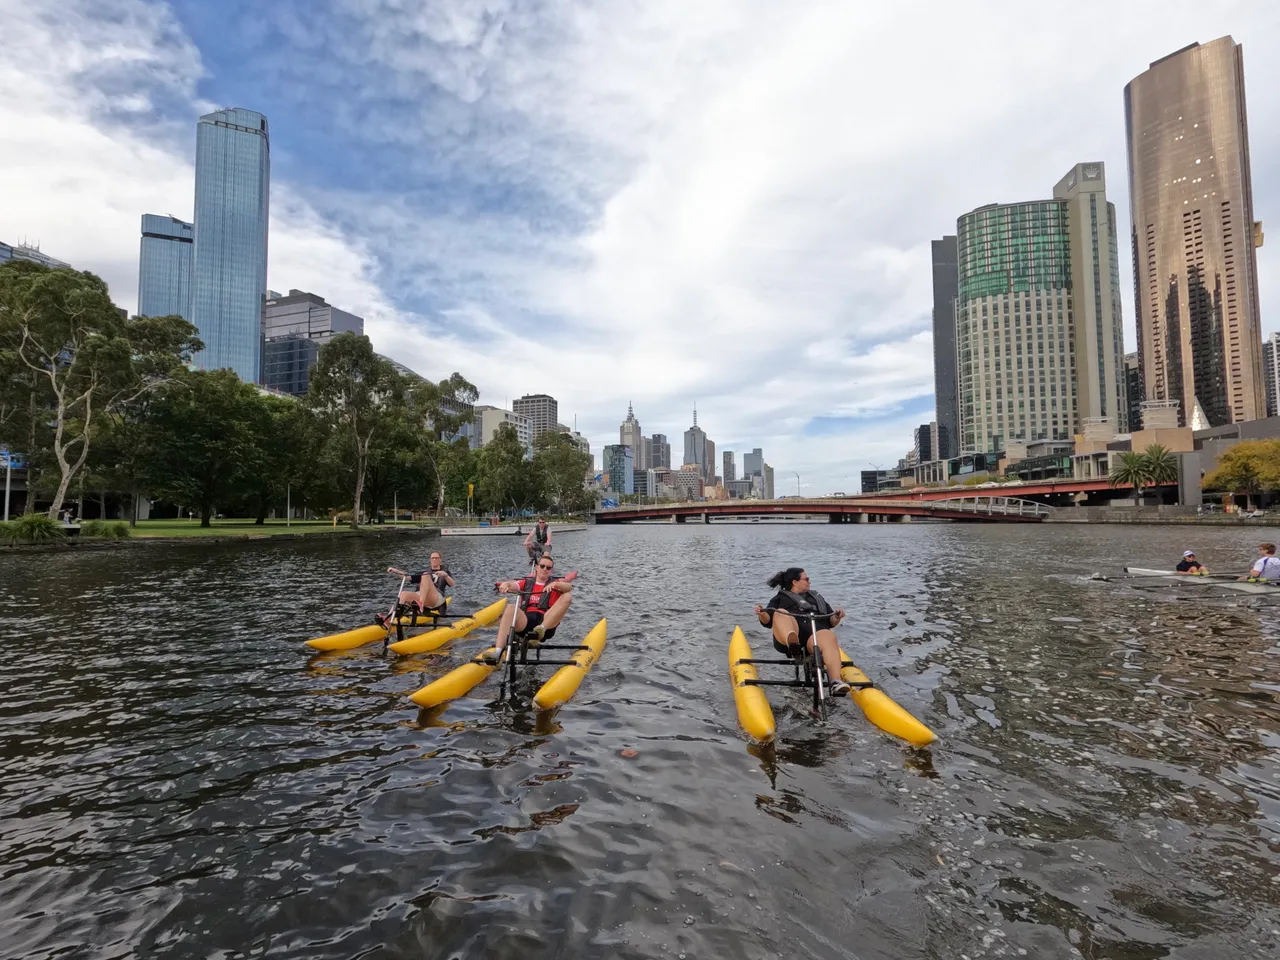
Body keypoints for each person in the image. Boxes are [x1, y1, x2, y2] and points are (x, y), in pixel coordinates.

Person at [753, 567, 851, 696]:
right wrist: (762, 613)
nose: (809, 582)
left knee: (829, 636)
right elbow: (767, 621)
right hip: (791, 635)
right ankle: (793, 645)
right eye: (806, 579)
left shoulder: (816, 597)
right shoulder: (781, 598)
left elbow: (830, 622)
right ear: (795, 582)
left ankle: (835, 682)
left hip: (814, 637)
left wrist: (837, 616)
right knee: (781, 613)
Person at [494, 554, 574, 651]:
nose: (545, 569)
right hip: (527, 621)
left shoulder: (556, 584)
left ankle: (540, 630)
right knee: (510, 607)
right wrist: (506, 584)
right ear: (536, 567)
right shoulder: (526, 582)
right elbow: (513, 585)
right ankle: (498, 652)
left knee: (567, 596)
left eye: (548, 568)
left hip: (547, 623)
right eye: (542, 566)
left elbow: (569, 588)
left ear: (551, 571)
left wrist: (556, 584)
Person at [380, 556, 448, 622]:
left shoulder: (444, 571)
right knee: (403, 594)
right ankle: (390, 618)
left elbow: (452, 584)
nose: (434, 560)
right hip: (422, 595)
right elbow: (406, 577)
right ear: (430, 560)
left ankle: (421, 603)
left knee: (425, 576)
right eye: (432, 558)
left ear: (440, 560)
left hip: (437, 597)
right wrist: (396, 571)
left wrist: (445, 575)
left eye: (436, 558)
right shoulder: (424, 573)